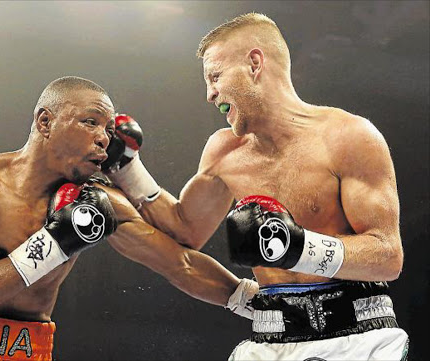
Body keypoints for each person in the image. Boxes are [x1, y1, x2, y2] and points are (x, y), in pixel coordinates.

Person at [104, 13, 409, 361]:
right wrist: (126, 168)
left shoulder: (348, 137)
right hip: (271, 340)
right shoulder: (225, 150)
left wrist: (297, 247)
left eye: (215, 77)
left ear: (254, 63)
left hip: (357, 339)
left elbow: (387, 257)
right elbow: (184, 230)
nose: (209, 94)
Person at [0, 76, 258, 361]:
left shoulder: (99, 202)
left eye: (109, 129)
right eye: (90, 121)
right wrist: (56, 241)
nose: (103, 137)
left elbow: (181, 263)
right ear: (45, 122)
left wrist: (259, 303)